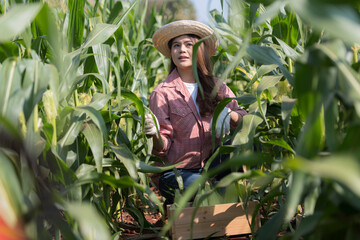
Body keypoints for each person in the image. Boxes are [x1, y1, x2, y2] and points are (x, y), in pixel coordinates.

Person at [145, 20, 247, 203]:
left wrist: (230, 115)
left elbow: (247, 121)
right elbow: (161, 149)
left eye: (188, 45)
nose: (181, 50)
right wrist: (153, 135)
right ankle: (221, 191)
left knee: (245, 146)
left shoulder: (217, 87)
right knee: (199, 185)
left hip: (213, 166)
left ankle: (217, 190)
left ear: (200, 50)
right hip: (178, 172)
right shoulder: (162, 93)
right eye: (176, 46)